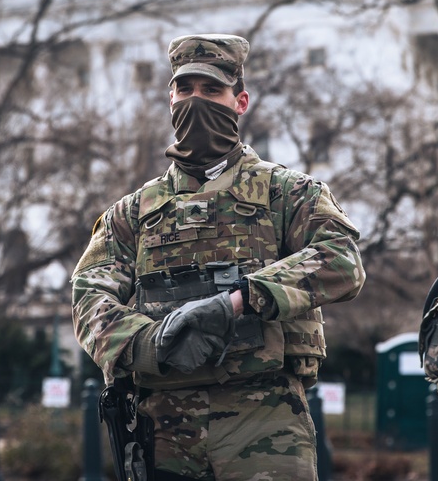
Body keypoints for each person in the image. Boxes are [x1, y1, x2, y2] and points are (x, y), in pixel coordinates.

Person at [71, 33, 365, 481]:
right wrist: (148, 342)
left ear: (240, 101)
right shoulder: (132, 212)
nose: (196, 100)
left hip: (264, 416)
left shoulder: (286, 192)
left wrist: (240, 300)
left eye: (211, 90)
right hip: (163, 422)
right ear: (170, 99)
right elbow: (88, 295)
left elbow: (342, 259)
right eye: (185, 89)